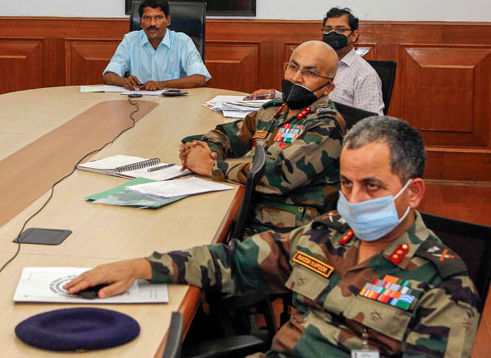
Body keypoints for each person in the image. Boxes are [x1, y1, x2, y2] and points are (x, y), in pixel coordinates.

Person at [65, 116, 480, 357]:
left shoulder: (443, 286)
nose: (353, 198)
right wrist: (141, 266)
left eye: (372, 186)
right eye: (346, 183)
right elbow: (233, 262)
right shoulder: (326, 234)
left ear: (414, 192)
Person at [180, 41, 345, 230]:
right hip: (250, 209)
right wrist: (207, 150)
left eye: (310, 73)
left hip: (288, 231)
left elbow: (278, 174)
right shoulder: (275, 111)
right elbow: (227, 135)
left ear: (328, 88)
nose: (296, 78)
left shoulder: (326, 124)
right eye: (293, 67)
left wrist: (211, 166)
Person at [249, 7, 385, 115]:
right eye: (328, 29)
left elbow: (372, 124)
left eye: (340, 30)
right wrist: (275, 95)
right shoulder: (314, 63)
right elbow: (307, 96)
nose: (333, 34)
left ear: (354, 35)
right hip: (307, 127)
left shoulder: (365, 75)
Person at [102, 0, 211, 91]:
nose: (152, 23)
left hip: (175, 105)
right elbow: (108, 75)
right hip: (139, 105)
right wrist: (124, 82)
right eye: (147, 18)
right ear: (140, 21)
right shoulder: (130, 40)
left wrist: (162, 84)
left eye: (158, 18)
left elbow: (200, 78)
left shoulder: (182, 42)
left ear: (168, 20)